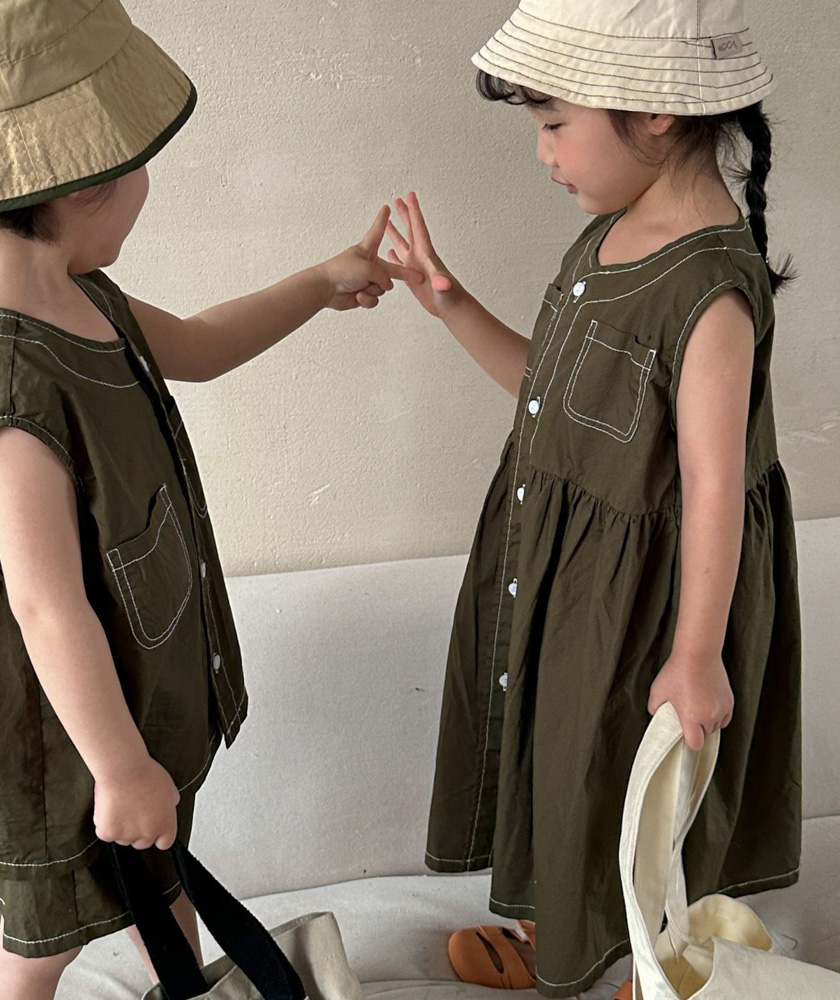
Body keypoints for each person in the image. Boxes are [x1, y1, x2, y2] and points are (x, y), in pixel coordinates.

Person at [0, 2, 421, 998]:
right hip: (53, 743)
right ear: (79, 180)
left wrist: (324, 281)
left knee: (160, 880)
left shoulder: (67, 286)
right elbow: (44, 606)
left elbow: (194, 344)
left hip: (126, 703)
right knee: (42, 941)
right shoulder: (10, 397)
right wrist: (118, 770)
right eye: (137, 160)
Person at [385, 1, 800, 996]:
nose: (543, 153)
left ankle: (661, 962)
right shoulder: (612, 237)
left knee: (637, 772)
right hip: (571, 583)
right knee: (564, 758)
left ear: (654, 111)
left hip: (652, 599)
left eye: (554, 123)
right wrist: (448, 302)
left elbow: (712, 483)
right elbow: (557, 398)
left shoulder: (708, 287)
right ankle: (561, 935)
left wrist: (695, 652)